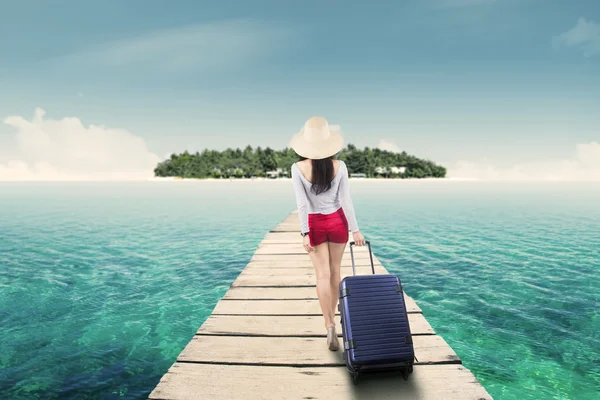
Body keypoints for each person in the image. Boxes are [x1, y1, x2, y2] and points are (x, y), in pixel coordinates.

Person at [289, 116, 365, 352]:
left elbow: (301, 204)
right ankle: (335, 319)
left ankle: (329, 325)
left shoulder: (298, 168)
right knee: (335, 273)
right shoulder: (340, 166)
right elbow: (345, 200)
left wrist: (304, 233)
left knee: (321, 275)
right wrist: (355, 229)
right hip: (337, 222)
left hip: (315, 225)